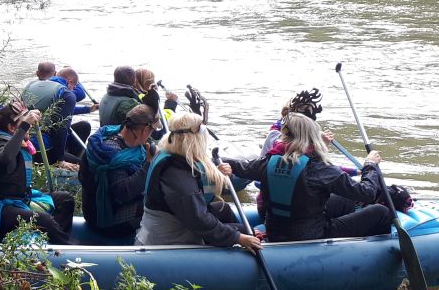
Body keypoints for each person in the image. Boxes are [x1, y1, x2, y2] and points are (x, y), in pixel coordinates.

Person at [224, 112, 391, 242]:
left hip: (276, 231)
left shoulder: (268, 162)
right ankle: (370, 250)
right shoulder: (319, 168)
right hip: (312, 235)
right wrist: (370, 165)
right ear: (312, 138)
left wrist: (219, 162)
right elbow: (368, 193)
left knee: (344, 200)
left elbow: (240, 166)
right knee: (381, 212)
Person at [134, 112, 258, 248]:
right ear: (192, 139)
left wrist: (218, 177)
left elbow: (199, 189)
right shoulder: (177, 175)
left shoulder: (171, 154)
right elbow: (199, 219)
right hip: (169, 240)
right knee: (245, 231)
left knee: (224, 209)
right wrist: (237, 237)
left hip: (174, 220)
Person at [0, 102, 74, 245]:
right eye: (23, 124)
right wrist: (24, 126)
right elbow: (5, 157)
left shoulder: (20, 144)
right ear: (12, 128)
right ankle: (66, 248)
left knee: (65, 199)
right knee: (43, 218)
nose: (29, 128)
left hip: (18, 201)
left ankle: (56, 245)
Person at [79, 104, 155, 243]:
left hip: (91, 211)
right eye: (151, 131)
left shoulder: (105, 136)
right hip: (108, 222)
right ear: (144, 130)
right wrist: (148, 164)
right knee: (157, 209)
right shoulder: (113, 156)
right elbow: (123, 193)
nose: (151, 136)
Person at [21, 62, 77, 166]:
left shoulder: (29, 85)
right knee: (84, 164)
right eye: (74, 87)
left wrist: (88, 109)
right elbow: (61, 128)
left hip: (22, 141)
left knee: (82, 126)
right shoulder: (67, 94)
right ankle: (60, 161)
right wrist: (60, 160)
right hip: (40, 149)